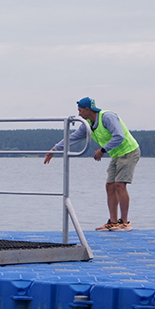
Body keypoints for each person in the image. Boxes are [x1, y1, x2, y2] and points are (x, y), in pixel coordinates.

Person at [44, 96, 141, 231]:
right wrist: (54, 149)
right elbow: (73, 138)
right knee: (110, 186)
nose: (79, 114)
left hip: (129, 151)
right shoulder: (88, 124)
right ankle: (113, 222)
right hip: (116, 154)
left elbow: (119, 136)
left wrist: (102, 150)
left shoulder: (107, 117)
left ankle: (124, 222)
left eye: (80, 111)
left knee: (120, 184)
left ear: (87, 109)